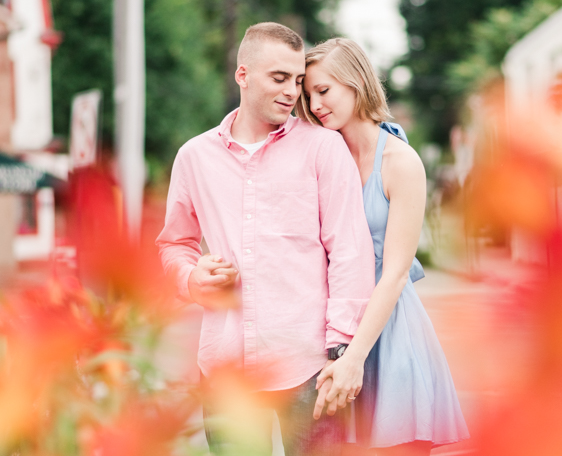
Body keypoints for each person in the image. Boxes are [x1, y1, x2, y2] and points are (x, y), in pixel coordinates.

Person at [156, 23, 375, 455]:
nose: (293, 92)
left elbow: (349, 252)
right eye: (279, 79)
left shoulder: (323, 148)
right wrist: (190, 278)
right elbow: (174, 243)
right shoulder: (194, 157)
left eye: (297, 80)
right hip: (225, 371)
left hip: (310, 367)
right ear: (243, 75)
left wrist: (341, 350)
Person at [297, 38, 470, 455]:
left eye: (324, 90)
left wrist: (354, 357)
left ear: (356, 84)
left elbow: (394, 274)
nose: (315, 104)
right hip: (332, 329)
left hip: (387, 333)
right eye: (308, 95)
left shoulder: (401, 163)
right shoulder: (320, 156)